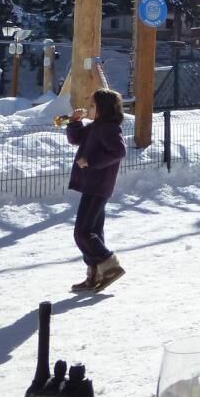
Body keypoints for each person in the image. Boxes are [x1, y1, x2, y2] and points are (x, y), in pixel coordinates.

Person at [65, 87, 128, 292]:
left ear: (102, 108)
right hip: (92, 185)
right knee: (93, 231)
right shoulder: (96, 126)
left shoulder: (109, 128)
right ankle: (94, 275)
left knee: (82, 232)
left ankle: (110, 265)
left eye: (92, 105)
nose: (88, 108)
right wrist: (75, 122)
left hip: (98, 185)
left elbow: (119, 151)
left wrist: (91, 161)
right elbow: (76, 139)